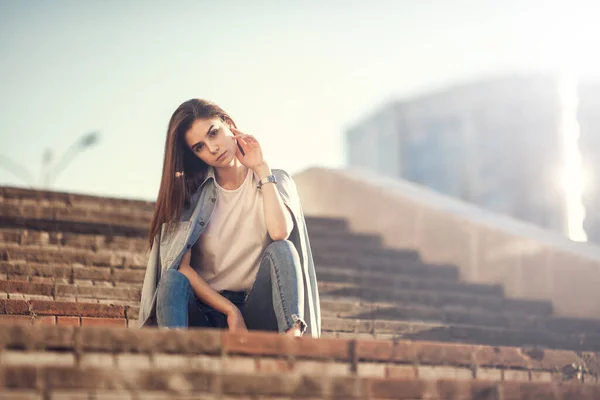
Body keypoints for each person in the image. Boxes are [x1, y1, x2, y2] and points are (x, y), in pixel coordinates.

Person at [137, 98, 321, 338]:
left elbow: (279, 233)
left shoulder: (275, 181)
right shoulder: (190, 197)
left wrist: (262, 169)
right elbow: (181, 268)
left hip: (258, 309)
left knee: (283, 249)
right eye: (199, 147)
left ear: (229, 124)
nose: (212, 148)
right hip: (206, 311)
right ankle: (175, 354)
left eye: (213, 133)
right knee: (172, 279)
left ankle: (293, 340)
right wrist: (231, 311)